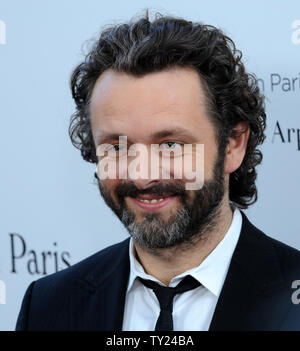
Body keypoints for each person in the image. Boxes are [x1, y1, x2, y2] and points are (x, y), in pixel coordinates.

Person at [16, 11, 300, 331]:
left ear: (233, 144)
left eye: (170, 145)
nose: (141, 176)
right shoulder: (48, 305)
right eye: (118, 147)